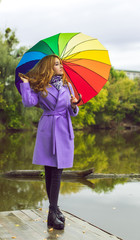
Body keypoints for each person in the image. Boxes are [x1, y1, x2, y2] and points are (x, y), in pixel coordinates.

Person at [19, 55, 79, 230]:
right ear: (49, 68)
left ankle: (53, 211)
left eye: (60, 64)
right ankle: (54, 211)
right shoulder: (41, 86)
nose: (61, 67)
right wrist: (25, 84)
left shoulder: (68, 86)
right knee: (49, 171)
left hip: (63, 129)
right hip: (47, 130)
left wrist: (74, 105)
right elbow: (29, 102)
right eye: (57, 64)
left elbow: (73, 111)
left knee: (58, 171)